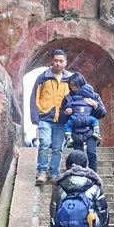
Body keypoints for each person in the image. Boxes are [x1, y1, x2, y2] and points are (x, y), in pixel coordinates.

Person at [30, 50, 71, 184]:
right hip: (45, 116)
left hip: (61, 119)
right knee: (45, 143)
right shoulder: (43, 78)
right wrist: (36, 116)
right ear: (51, 61)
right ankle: (41, 171)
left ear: (65, 63)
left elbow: (74, 98)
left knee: (58, 148)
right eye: (56, 60)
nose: (58, 63)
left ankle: (54, 173)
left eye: (61, 61)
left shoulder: (69, 80)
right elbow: (34, 96)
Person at [61, 72, 106, 172]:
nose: (74, 88)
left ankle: (94, 176)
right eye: (71, 86)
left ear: (81, 83)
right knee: (78, 156)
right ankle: (80, 177)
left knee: (91, 153)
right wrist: (66, 113)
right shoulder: (68, 98)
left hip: (90, 129)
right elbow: (62, 118)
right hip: (75, 130)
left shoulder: (93, 96)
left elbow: (102, 113)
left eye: (76, 85)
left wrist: (95, 105)